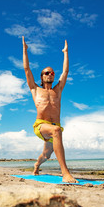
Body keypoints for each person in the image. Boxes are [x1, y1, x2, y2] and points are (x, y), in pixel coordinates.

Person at [22, 36, 77, 183]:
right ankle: (65, 173)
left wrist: (65, 52)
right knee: (57, 131)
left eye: (52, 73)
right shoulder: (35, 89)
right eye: (47, 73)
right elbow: (27, 69)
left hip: (54, 127)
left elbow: (65, 72)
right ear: (41, 76)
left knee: (46, 155)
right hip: (40, 125)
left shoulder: (57, 90)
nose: (50, 74)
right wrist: (25, 50)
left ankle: (36, 165)